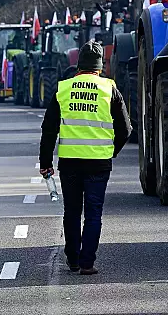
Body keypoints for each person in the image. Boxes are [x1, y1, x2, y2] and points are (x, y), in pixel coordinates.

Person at [39, 40, 131, 275]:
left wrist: (46, 162)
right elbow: (126, 129)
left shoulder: (64, 89)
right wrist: (111, 150)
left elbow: (49, 129)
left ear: (79, 65)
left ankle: (73, 259)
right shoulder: (109, 89)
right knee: (93, 213)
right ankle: (87, 262)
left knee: (71, 212)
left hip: (69, 163)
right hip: (99, 163)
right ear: (100, 67)